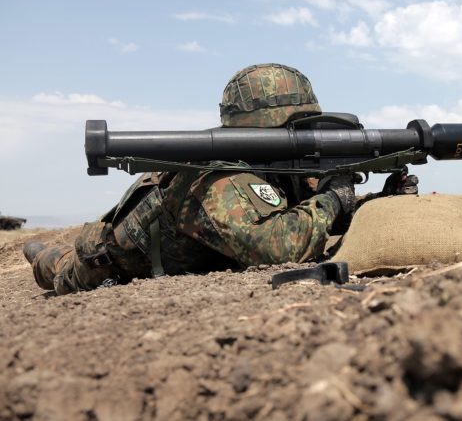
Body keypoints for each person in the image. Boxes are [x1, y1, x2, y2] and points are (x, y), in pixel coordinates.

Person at [25, 63, 414, 295]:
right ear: (267, 129)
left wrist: (379, 201)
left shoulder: (277, 165)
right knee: (56, 268)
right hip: (102, 262)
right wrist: (335, 196)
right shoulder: (220, 177)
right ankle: (39, 251)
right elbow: (277, 247)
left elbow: (312, 216)